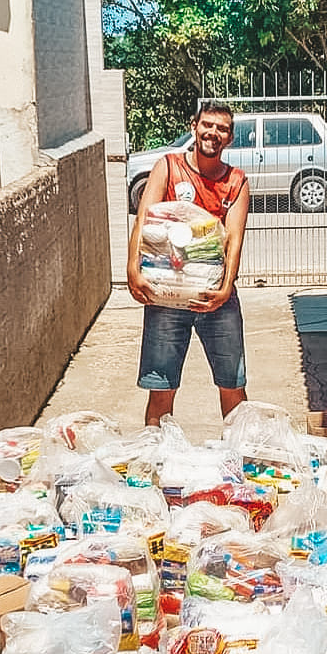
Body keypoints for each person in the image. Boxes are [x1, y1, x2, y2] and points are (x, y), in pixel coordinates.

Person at [127, 99, 251, 426]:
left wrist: (225, 291)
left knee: (233, 385)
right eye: (207, 125)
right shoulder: (168, 166)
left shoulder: (236, 182)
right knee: (161, 388)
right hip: (166, 295)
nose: (213, 132)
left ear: (230, 138)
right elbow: (144, 219)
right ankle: (156, 460)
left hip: (215, 299)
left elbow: (234, 238)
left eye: (222, 128)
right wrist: (132, 270)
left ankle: (242, 462)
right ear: (194, 127)